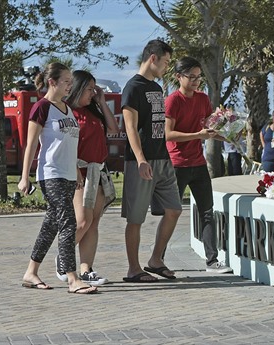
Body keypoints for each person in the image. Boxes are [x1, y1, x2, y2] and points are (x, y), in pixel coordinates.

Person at [18, 62, 98, 294]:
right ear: (52, 82)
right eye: (66, 82)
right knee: (68, 223)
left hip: (68, 175)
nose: (69, 86)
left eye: (71, 83)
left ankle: (30, 273)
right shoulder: (41, 108)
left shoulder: (68, 109)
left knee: (50, 226)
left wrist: (76, 170)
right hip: (50, 175)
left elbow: (69, 144)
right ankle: (73, 279)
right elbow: (31, 144)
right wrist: (25, 177)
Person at [121, 39, 182, 282]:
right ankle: (133, 269)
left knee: (174, 210)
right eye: (166, 62)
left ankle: (155, 260)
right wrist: (140, 160)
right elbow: (130, 127)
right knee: (136, 218)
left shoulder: (157, 89)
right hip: (142, 161)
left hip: (163, 159)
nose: (167, 67)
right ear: (153, 58)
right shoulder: (132, 88)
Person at [164, 56, 233, 273]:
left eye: (198, 77)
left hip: (198, 164)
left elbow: (209, 129)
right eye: (191, 77)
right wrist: (197, 135)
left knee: (207, 212)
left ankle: (212, 261)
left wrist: (228, 134)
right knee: (171, 213)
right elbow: (168, 135)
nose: (195, 81)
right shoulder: (173, 101)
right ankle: (158, 258)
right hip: (177, 165)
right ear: (178, 77)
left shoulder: (203, 99)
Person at [54, 70, 120, 286]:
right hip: (79, 172)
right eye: (90, 89)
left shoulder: (93, 111)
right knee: (83, 220)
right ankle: (63, 257)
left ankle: (86, 269)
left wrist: (101, 101)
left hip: (98, 171)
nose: (93, 93)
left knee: (93, 222)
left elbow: (113, 128)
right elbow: (63, 146)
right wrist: (74, 171)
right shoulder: (67, 112)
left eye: (94, 89)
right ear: (78, 88)